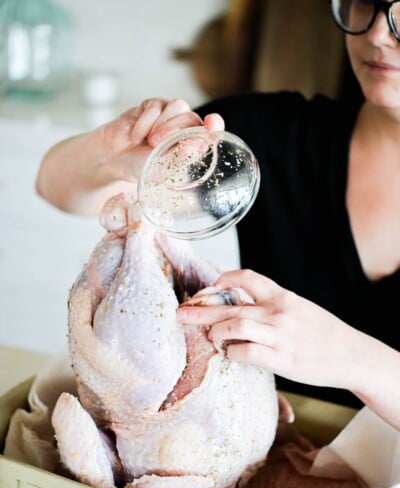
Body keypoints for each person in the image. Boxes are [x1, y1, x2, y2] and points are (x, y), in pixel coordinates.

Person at [35, 1, 400, 430]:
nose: (376, 34)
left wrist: (354, 359)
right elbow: (55, 186)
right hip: (270, 460)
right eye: (364, 2)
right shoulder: (280, 137)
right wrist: (118, 152)